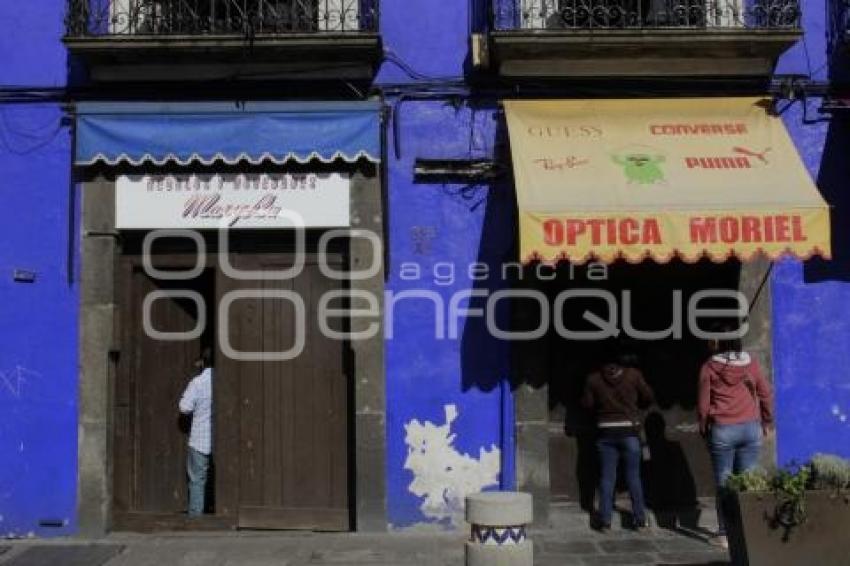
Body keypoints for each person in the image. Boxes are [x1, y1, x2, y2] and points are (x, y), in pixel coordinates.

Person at [698, 325, 774, 549]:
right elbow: (765, 394)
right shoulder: (750, 363)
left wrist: (704, 429)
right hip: (750, 427)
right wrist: (767, 421)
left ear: (719, 342)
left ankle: (724, 534)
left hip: (723, 429)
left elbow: (703, 406)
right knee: (748, 481)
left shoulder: (709, 367)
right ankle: (750, 529)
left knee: (724, 482)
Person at [582, 348, 655, 531]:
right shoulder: (633, 375)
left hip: (605, 433)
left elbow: (588, 404)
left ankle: (605, 520)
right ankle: (639, 519)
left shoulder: (593, 379)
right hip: (629, 431)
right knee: (633, 477)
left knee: (607, 477)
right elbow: (648, 397)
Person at [179, 349, 213, 517]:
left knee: (197, 479)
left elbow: (184, 408)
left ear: (202, 362)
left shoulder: (198, 382)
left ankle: (196, 517)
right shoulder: (225, 381)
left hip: (200, 438)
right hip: (221, 439)